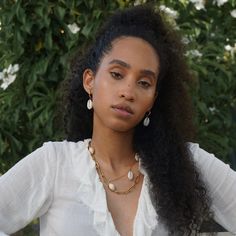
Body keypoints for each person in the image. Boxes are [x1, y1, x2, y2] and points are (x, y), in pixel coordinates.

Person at [0, 5, 236, 236]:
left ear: (153, 100)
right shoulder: (54, 165)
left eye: (144, 83)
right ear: (89, 81)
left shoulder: (184, 162)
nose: (128, 91)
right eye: (116, 74)